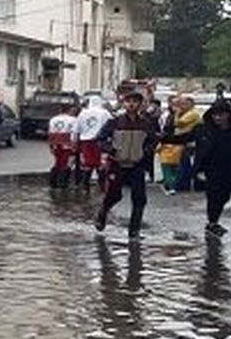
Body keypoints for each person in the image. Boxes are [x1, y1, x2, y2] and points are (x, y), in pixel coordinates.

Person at [166, 100, 231, 237]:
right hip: (210, 166)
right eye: (215, 115)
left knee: (225, 195)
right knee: (213, 194)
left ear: (228, 115)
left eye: (221, 115)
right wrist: (163, 138)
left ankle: (214, 220)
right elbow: (185, 138)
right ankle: (212, 223)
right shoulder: (203, 129)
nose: (218, 118)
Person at [94, 91, 158, 239]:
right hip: (117, 164)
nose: (131, 104)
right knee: (114, 195)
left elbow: (153, 141)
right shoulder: (115, 122)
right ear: (124, 104)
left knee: (139, 199)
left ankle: (134, 230)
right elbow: (100, 139)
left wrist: (145, 152)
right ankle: (103, 212)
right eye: (128, 101)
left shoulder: (146, 124)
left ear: (140, 104)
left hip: (137, 165)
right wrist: (111, 150)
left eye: (135, 101)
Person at [157, 96, 199, 194]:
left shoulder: (192, 113)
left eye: (184, 104)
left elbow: (178, 123)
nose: (181, 106)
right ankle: (176, 183)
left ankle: (180, 184)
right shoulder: (180, 113)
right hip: (178, 141)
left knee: (182, 165)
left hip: (185, 140)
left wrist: (176, 113)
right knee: (178, 164)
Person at [75, 97, 113, 191]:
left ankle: (85, 186)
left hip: (86, 142)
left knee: (87, 164)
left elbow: (76, 129)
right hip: (101, 142)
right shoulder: (105, 113)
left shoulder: (83, 113)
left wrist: (74, 142)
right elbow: (112, 125)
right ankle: (102, 186)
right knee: (101, 164)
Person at [46, 105, 79, 188]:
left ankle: (53, 182)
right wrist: (74, 145)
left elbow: (50, 133)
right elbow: (74, 134)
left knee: (58, 162)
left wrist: (51, 146)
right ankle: (62, 183)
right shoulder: (73, 120)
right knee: (66, 163)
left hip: (56, 144)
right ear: (69, 110)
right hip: (67, 144)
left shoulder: (53, 119)